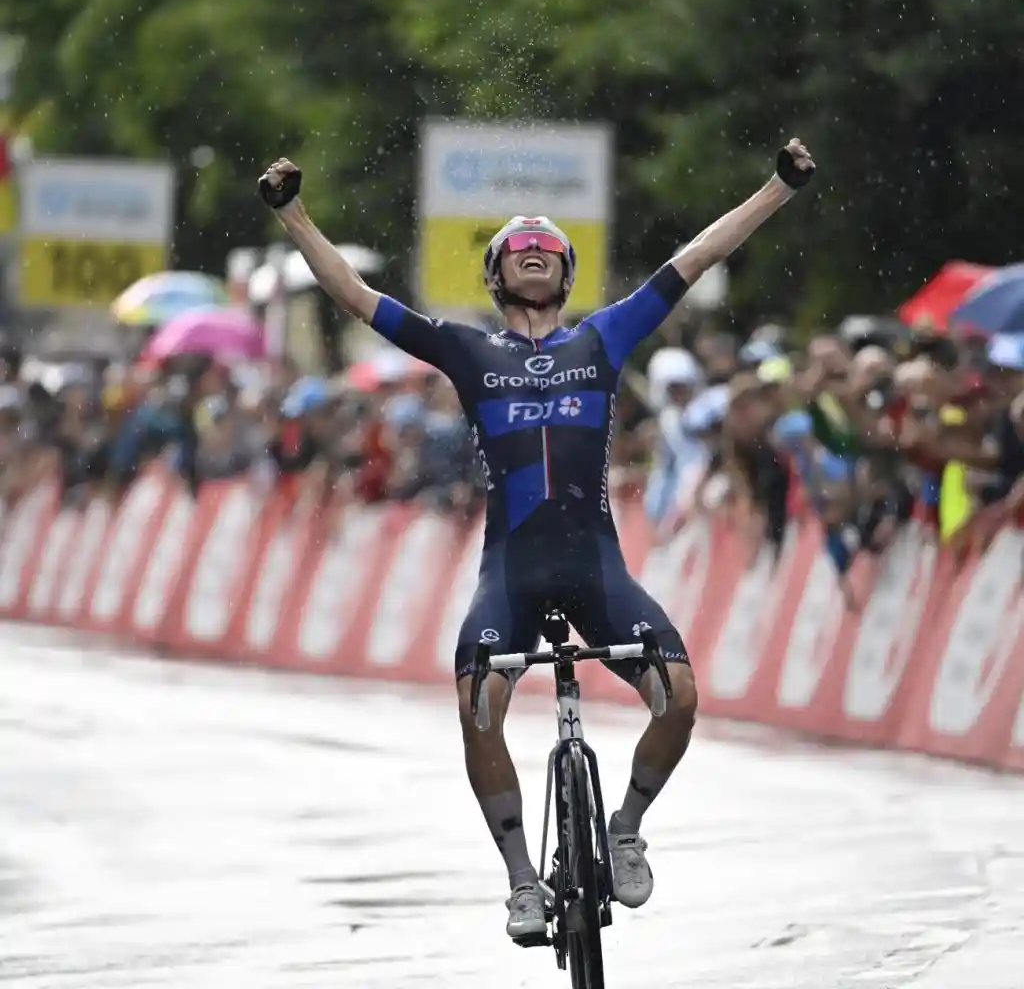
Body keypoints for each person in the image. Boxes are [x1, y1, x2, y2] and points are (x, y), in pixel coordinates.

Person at [257, 137, 816, 938]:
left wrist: (778, 189)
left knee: (683, 698)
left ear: (566, 272)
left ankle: (625, 829)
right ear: (495, 275)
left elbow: (694, 259)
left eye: (547, 247)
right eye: (516, 247)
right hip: (510, 575)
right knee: (477, 708)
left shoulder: (604, 337)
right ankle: (522, 879)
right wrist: (294, 215)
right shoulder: (465, 348)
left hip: (596, 568)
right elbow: (356, 296)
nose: (532, 252)